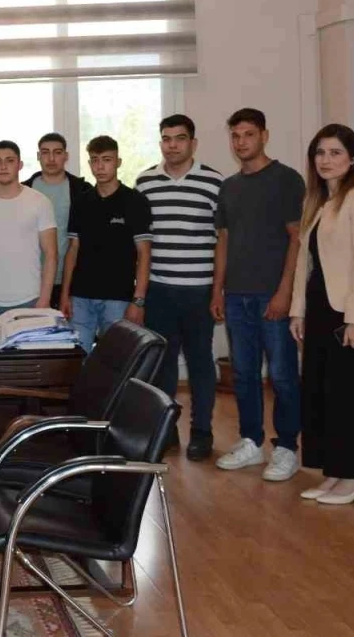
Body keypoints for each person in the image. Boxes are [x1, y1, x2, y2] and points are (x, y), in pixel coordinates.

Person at [291, 124, 354, 506]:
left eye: (335, 152)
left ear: (353, 159)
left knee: (349, 396)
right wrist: (298, 312)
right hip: (321, 309)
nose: (326, 160)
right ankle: (334, 472)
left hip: (351, 312)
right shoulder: (319, 202)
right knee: (321, 394)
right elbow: (305, 264)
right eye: (320, 152)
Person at [211, 108, 307, 482]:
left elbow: (296, 239)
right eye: (235, 135)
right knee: (244, 374)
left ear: (264, 136)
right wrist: (218, 290)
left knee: (282, 375)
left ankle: (286, 448)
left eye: (248, 134)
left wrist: (285, 292)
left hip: (273, 296)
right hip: (236, 296)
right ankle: (251, 441)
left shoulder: (287, 180)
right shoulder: (229, 187)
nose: (241, 142)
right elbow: (223, 241)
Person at [136, 114, 223, 460]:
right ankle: (166, 430)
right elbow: (141, 242)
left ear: (193, 143)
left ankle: (202, 432)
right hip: (159, 290)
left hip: (199, 291)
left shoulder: (214, 182)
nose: (172, 145)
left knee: (201, 363)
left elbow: (223, 241)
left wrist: (218, 290)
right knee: (163, 364)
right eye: (167, 138)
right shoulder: (145, 182)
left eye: (180, 138)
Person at [60, 136, 152, 353]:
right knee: (77, 360)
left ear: (118, 162)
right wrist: (65, 294)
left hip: (118, 298)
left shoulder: (135, 201)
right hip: (81, 297)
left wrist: (138, 301)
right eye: (95, 160)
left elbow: (144, 253)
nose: (100, 166)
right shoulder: (81, 201)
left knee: (116, 361)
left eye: (107, 160)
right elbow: (73, 250)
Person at [0, 141, 57, 318]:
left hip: (31, 300)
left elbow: (51, 255)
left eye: (10, 161)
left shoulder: (40, 202)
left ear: (19, 165)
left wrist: (45, 299)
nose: (3, 166)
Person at [24, 133, 93, 307]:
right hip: (31, 278)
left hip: (72, 279)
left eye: (57, 152)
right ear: (38, 156)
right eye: (45, 152)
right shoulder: (23, 190)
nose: (51, 158)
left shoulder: (83, 190)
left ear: (66, 156)